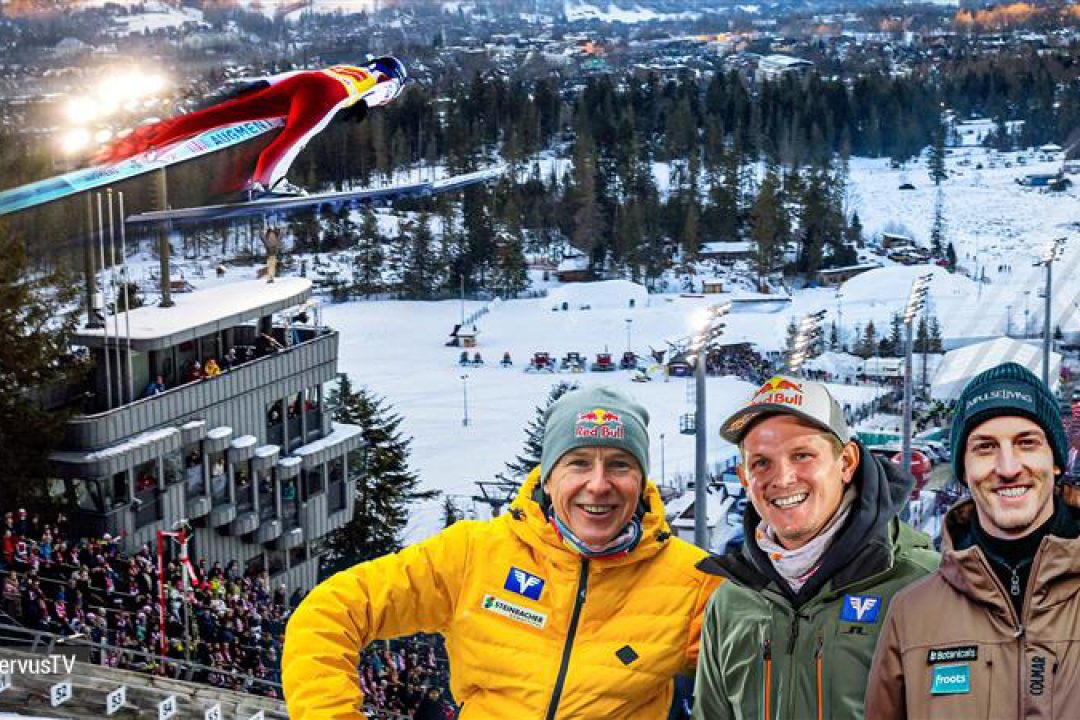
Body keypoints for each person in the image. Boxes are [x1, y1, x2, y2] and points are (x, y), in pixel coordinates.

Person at [283, 386, 721, 718]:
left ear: (641, 481)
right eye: (579, 462)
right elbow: (328, 612)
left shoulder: (693, 580)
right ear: (548, 478)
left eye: (620, 464)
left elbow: (763, 682)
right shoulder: (474, 552)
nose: (599, 484)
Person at [693, 376, 938, 720]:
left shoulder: (921, 586)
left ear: (847, 463)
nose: (783, 478)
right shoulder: (731, 601)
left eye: (802, 455)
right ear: (744, 477)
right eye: (761, 462)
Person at [865, 362, 1078, 719]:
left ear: (1055, 461)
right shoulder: (912, 614)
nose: (1008, 467)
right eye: (985, 447)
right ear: (963, 470)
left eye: (1027, 443)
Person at [95, 57, 407, 197]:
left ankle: (147, 139)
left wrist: (260, 85)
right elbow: (380, 93)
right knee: (293, 141)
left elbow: (305, 73)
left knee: (220, 115)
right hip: (327, 96)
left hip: (304, 81)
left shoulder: (350, 67)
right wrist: (363, 106)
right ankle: (268, 185)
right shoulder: (388, 80)